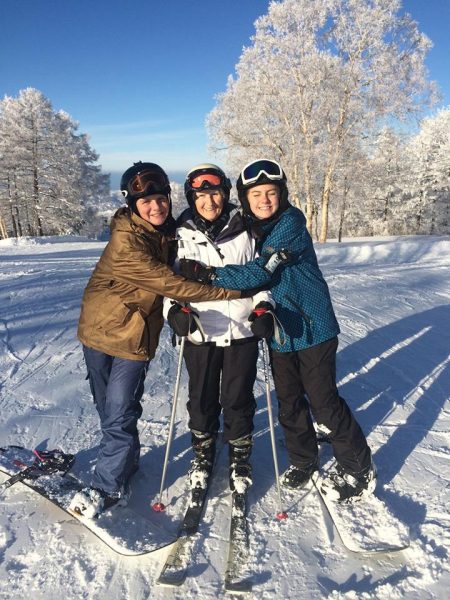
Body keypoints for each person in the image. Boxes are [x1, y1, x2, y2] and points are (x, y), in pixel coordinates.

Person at [179, 159, 376, 503]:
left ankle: (359, 469)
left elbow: (258, 272)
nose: (264, 200)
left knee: (324, 402)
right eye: (256, 194)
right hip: (280, 330)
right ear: (245, 197)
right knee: (288, 401)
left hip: (312, 328)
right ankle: (303, 459)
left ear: (282, 195)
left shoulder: (290, 223)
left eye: (271, 192)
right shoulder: (253, 227)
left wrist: (209, 275)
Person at [69, 161, 242, 518]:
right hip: (98, 333)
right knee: (110, 411)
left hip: (134, 340)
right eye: (146, 202)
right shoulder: (127, 240)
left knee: (119, 411)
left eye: (161, 199)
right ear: (133, 206)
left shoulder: (165, 234)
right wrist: (231, 291)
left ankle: (107, 484)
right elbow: (170, 283)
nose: (156, 207)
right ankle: (124, 461)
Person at [163, 163, 275, 494]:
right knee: (201, 398)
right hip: (200, 330)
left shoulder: (246, 228)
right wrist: (174, 312)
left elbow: (261, 276)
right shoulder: (179, 234)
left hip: (242, 328)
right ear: (191, 198)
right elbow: (169, 282)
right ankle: (203, 452)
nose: (209, 202)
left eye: (214, 193)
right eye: (201, 196)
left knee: (238, 398)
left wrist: (264, 306)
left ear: (224, 193)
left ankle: (240, 456)